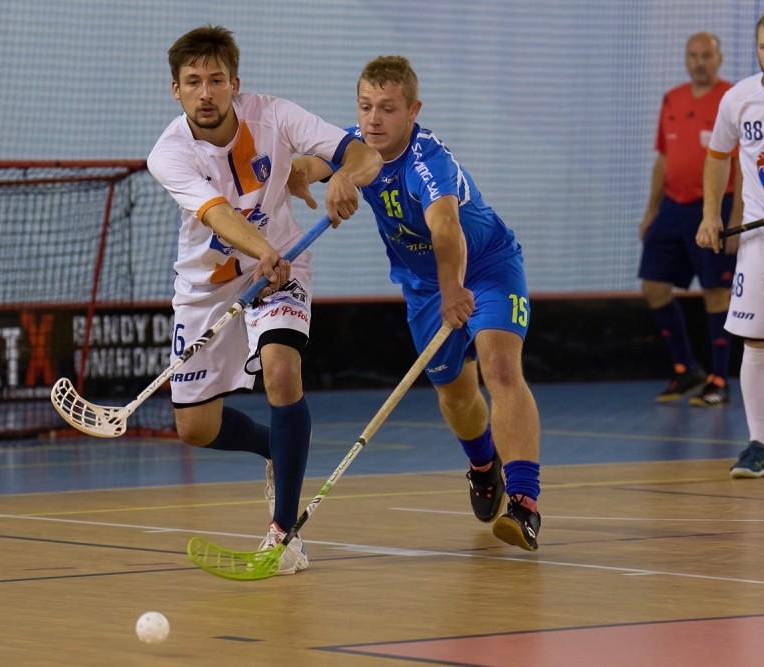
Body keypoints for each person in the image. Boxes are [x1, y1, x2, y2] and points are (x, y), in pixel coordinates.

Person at [146, 25, 382, 574]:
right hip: (207, 286)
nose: (206, 93)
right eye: (193, 82)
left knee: (280, 370)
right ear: (176, 90)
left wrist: (346, 177)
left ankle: (284, 535)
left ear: (235, 83)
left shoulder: (274, 115)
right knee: (195, 428)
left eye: (217, 80)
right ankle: (276, 447)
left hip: (283, 269)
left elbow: (362, 153)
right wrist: (262, 250)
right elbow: (218, 215)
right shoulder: (169, 153)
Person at [289, 55, 543, 551]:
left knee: (499, 367)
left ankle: (524, 503)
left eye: (387, 108)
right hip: (423, 287)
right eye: (366, 106)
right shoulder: (354, 145)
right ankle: (482, 465)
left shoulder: (428, 162)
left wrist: (454, 288)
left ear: (413, 110)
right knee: (455, 395)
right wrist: (299, 174)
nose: (374, 119)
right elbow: (308, 164)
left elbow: (446, 228)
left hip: (486, 267)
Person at [698, 7, 764, 479]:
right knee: (758, 343)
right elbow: (718, 156)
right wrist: (710, 214)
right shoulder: (738, 98)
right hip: (762, 239)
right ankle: (760, 446)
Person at [639, 32, 742, 407]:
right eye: (693, 55)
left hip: (714, 207)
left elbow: (740, 164)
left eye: (706, 55)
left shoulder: (732, 98)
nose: (699, 62)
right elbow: (664, 158)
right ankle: (686, 370)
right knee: (653, 286)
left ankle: (719, 380)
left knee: (716, 291)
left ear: (719, 59)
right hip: (672, 206)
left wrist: (735, 217)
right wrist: (651, 211)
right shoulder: (673, 98)